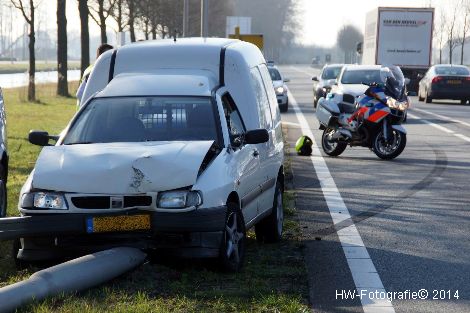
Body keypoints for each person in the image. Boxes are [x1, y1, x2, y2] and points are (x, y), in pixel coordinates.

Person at [76, 43, 113, 107]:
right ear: (100, 57)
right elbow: (80, 94)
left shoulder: (94, 68)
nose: (111, 58)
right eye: (108, 56)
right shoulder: (94, 71)